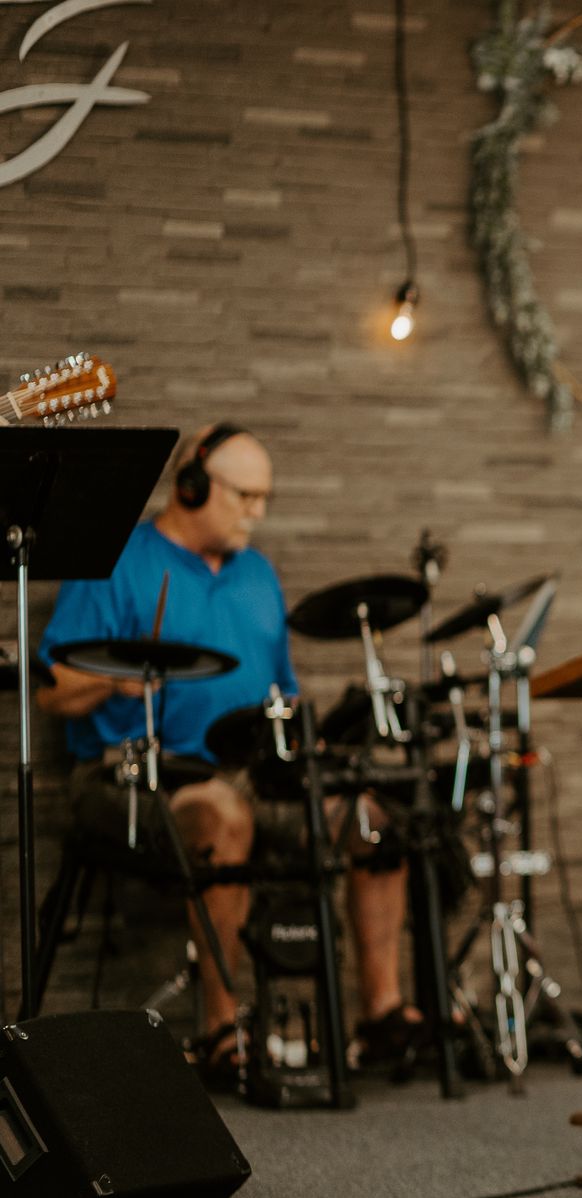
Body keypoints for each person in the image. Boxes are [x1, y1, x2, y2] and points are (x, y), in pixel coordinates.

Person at [38, 424, 421, 1083]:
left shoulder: (258, 574)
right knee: (222, 816)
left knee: (370, 818)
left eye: (264, 498)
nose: (258, 513)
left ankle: (382, 1016)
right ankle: (221, 1032)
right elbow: (52, 691)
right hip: (131, 777)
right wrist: (119, 677)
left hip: (250, 775)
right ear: (191, 485)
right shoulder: (118, 561)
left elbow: (284, 692)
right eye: (246, 496)